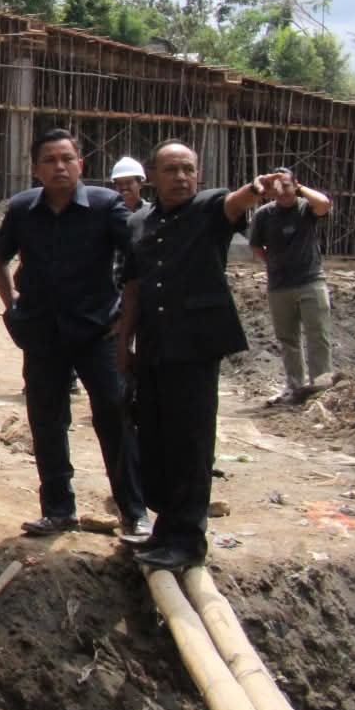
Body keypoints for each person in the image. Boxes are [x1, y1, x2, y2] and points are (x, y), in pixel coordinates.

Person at [118, 142, 284, 572]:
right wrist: (124, 346)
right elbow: (132, 286)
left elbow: (237, 202)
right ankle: (165, 529)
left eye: (188, 169)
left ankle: (187, 540)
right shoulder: (138, 223)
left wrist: (257, 187)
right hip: (153, 344)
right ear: (153, 177)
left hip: (195, 346)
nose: (181, 177)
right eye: (171, 170)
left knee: (190, 442)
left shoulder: (209, 209)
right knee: (154, 437)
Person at [0, 129, 147, 540]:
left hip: (97, 331)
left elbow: (136, 259)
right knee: (46, 420)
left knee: (113, 416)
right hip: (43, 333)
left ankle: (134, 512)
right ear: (35, 169)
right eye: (50, 160)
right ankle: (58, 510)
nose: (60, 167)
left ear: (81, 164)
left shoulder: (105, 205)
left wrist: (126, 317)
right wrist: (12, 306)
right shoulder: (23, 209)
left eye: (67, 159)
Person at [248, 167, 336, 403]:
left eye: (286, 185)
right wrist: (272, 263)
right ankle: (294, 387)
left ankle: (321, 386)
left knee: (318, 335)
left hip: (311, 281)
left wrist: (299, 188)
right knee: (288, 339)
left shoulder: (306, 208)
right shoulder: (264, 215)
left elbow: (324, 204)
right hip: (279, 285)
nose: (282, 190)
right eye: (277, 186)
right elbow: (255, 245)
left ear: (296, 185)